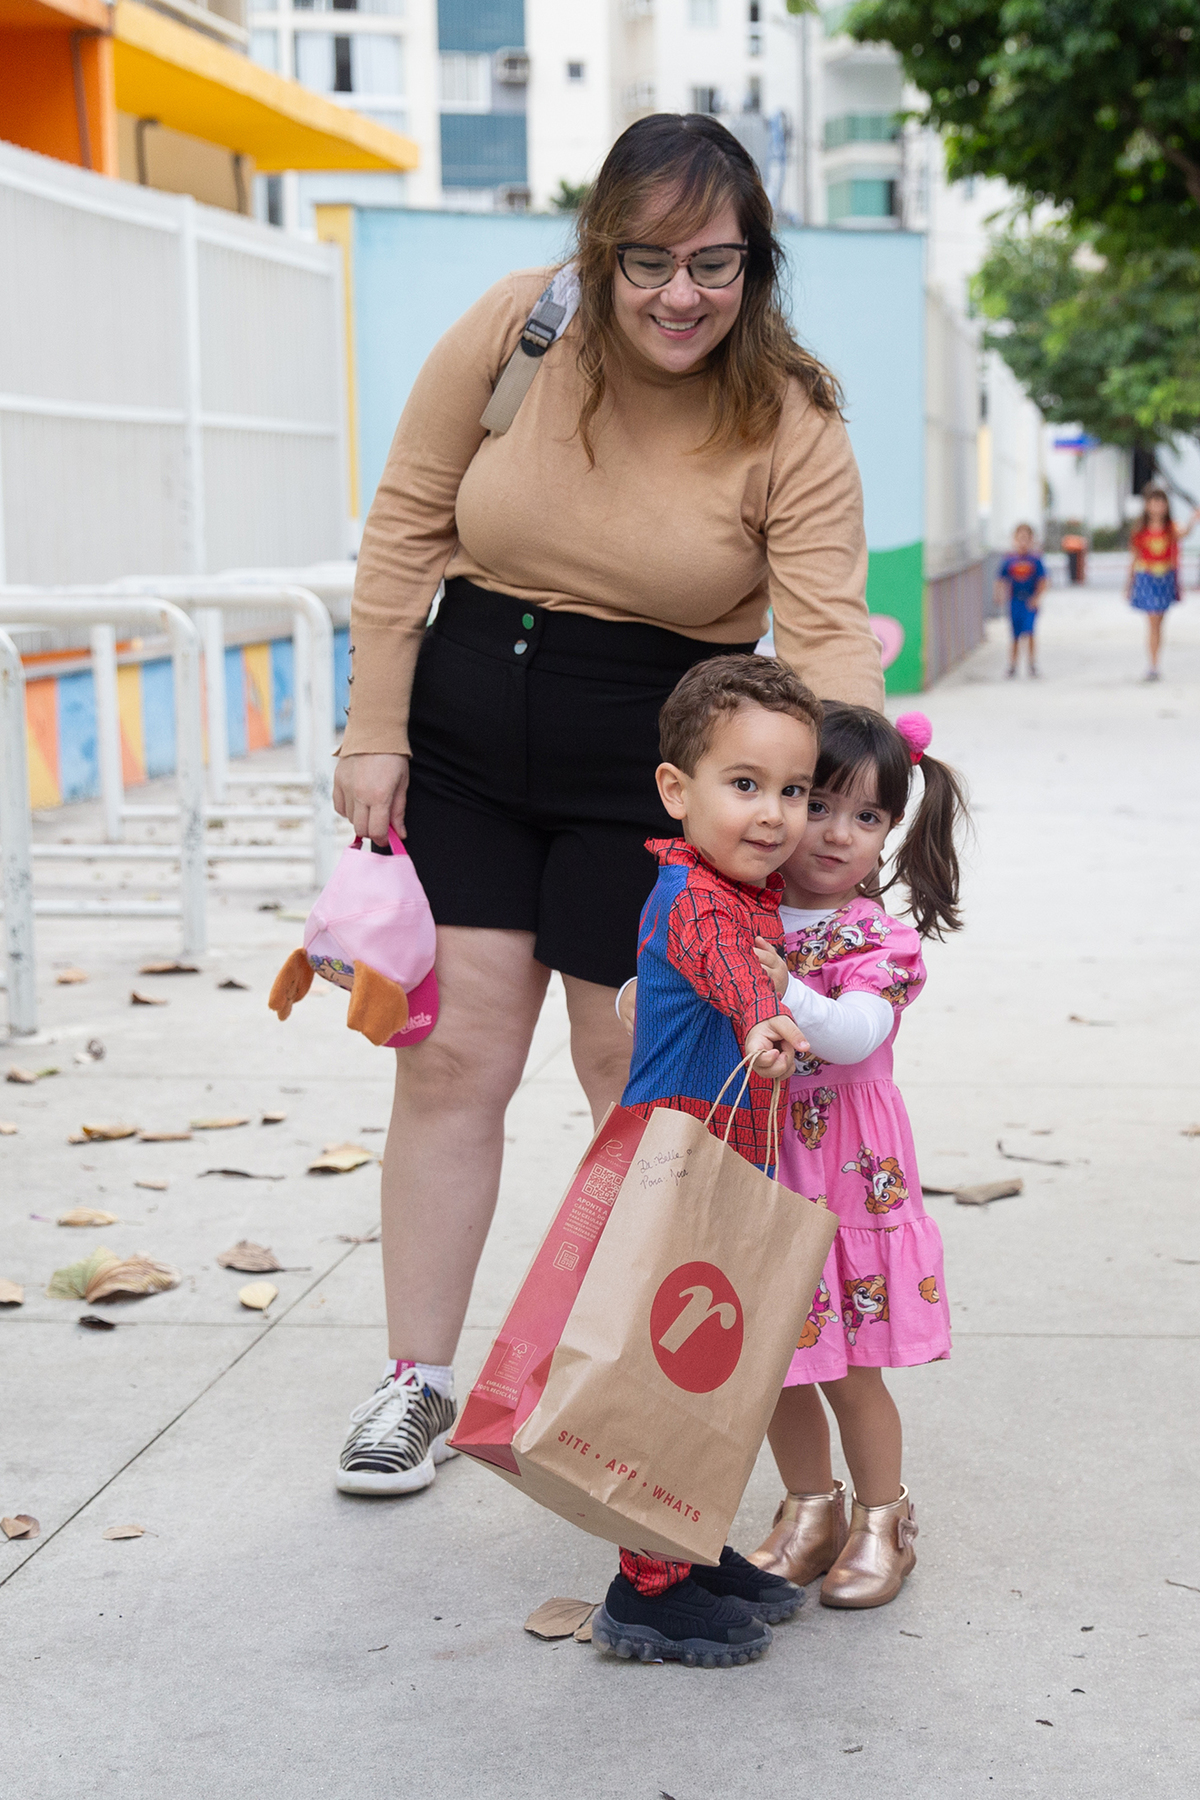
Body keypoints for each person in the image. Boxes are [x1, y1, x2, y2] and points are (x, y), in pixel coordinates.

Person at [330, 112, 885, 1495]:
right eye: (648, 260)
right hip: (462, 735)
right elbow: (407, 522)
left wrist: (844, 826)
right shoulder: (523, 328)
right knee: (450, 1061)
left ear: (756, 262)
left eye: (715, 261)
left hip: (652, 768)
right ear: (601, 248)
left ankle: (624, 1399)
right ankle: (416, 1385)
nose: (680, 293)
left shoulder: (791, 417)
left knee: (632, 1079)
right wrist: (374, 723)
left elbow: (824, 637)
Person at [591, 655, 822, 1668]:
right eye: (745, 785)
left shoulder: (734, 889)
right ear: (676, 790)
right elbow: (731, 974)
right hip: (678, 1173)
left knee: (706, 1369)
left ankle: (683, 1547)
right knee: (665, 1377)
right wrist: (768, 1013)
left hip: (720, 1166)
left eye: (793, 791)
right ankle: (645, 1592)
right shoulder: (697, 899)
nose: (773, 813)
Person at [745, 704, 967, 1609]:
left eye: (867, 817)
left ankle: (884, 1517)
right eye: (818, 802)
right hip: (759, 1166)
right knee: (770, 1359)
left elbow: (851, 1033)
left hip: (846, 1174)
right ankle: (810, 1511)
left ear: (890, 831)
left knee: (848, 1368)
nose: (838, 833)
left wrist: (778, 981)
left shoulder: (878, 938)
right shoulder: (740, 911)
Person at [1126, 485, 1199, 682]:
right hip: (1146, 577)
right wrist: (1129, 584)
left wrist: (1193, 520)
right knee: (1152, 621)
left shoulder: (1171, 528)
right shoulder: (1140, 530)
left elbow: (1184, 534)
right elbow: (1133, 558)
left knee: (1159, 623)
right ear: (1147, 505)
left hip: (1165, 578)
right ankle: (1153, 664)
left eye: (1161, 502)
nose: (1157, 506)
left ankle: (1155, 662)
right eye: (1154, 502)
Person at [995, 524, 1047, 677]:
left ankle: (1032, 664)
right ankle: (1012, 664)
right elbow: (1000, 579)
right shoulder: (1009, 560)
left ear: (1031, 541)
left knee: (1030, 632)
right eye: (1020, 539)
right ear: (1014, 540)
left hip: (1029, 601)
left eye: (1026, 539)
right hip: (1014, 601)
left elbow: (1043, 581)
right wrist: (998, 594)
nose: (1023, 542)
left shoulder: (1035, 560)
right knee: (1015, 634)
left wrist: (1037, 598)